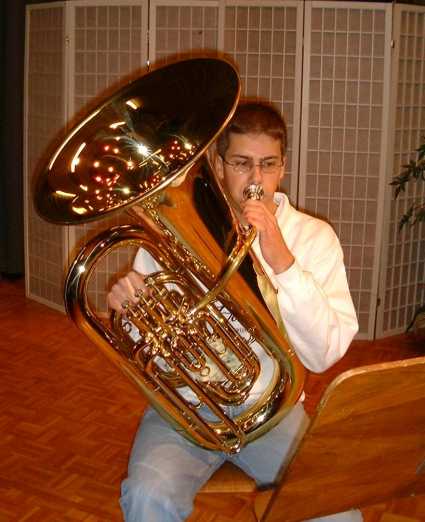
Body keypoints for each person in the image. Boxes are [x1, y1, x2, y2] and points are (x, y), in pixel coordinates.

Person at [108, 102, 360, 522]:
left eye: (268, 164)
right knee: (147, 496)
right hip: (185, 413)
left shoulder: (315, 238)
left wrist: (282, 261)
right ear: (217, 164)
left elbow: (323, 355)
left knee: (336, 514)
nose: (256, 180)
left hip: (273, 411)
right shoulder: (175, 224)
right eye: (242, 163)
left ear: (283, 166)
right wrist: (131, 312)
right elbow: (145, 346)